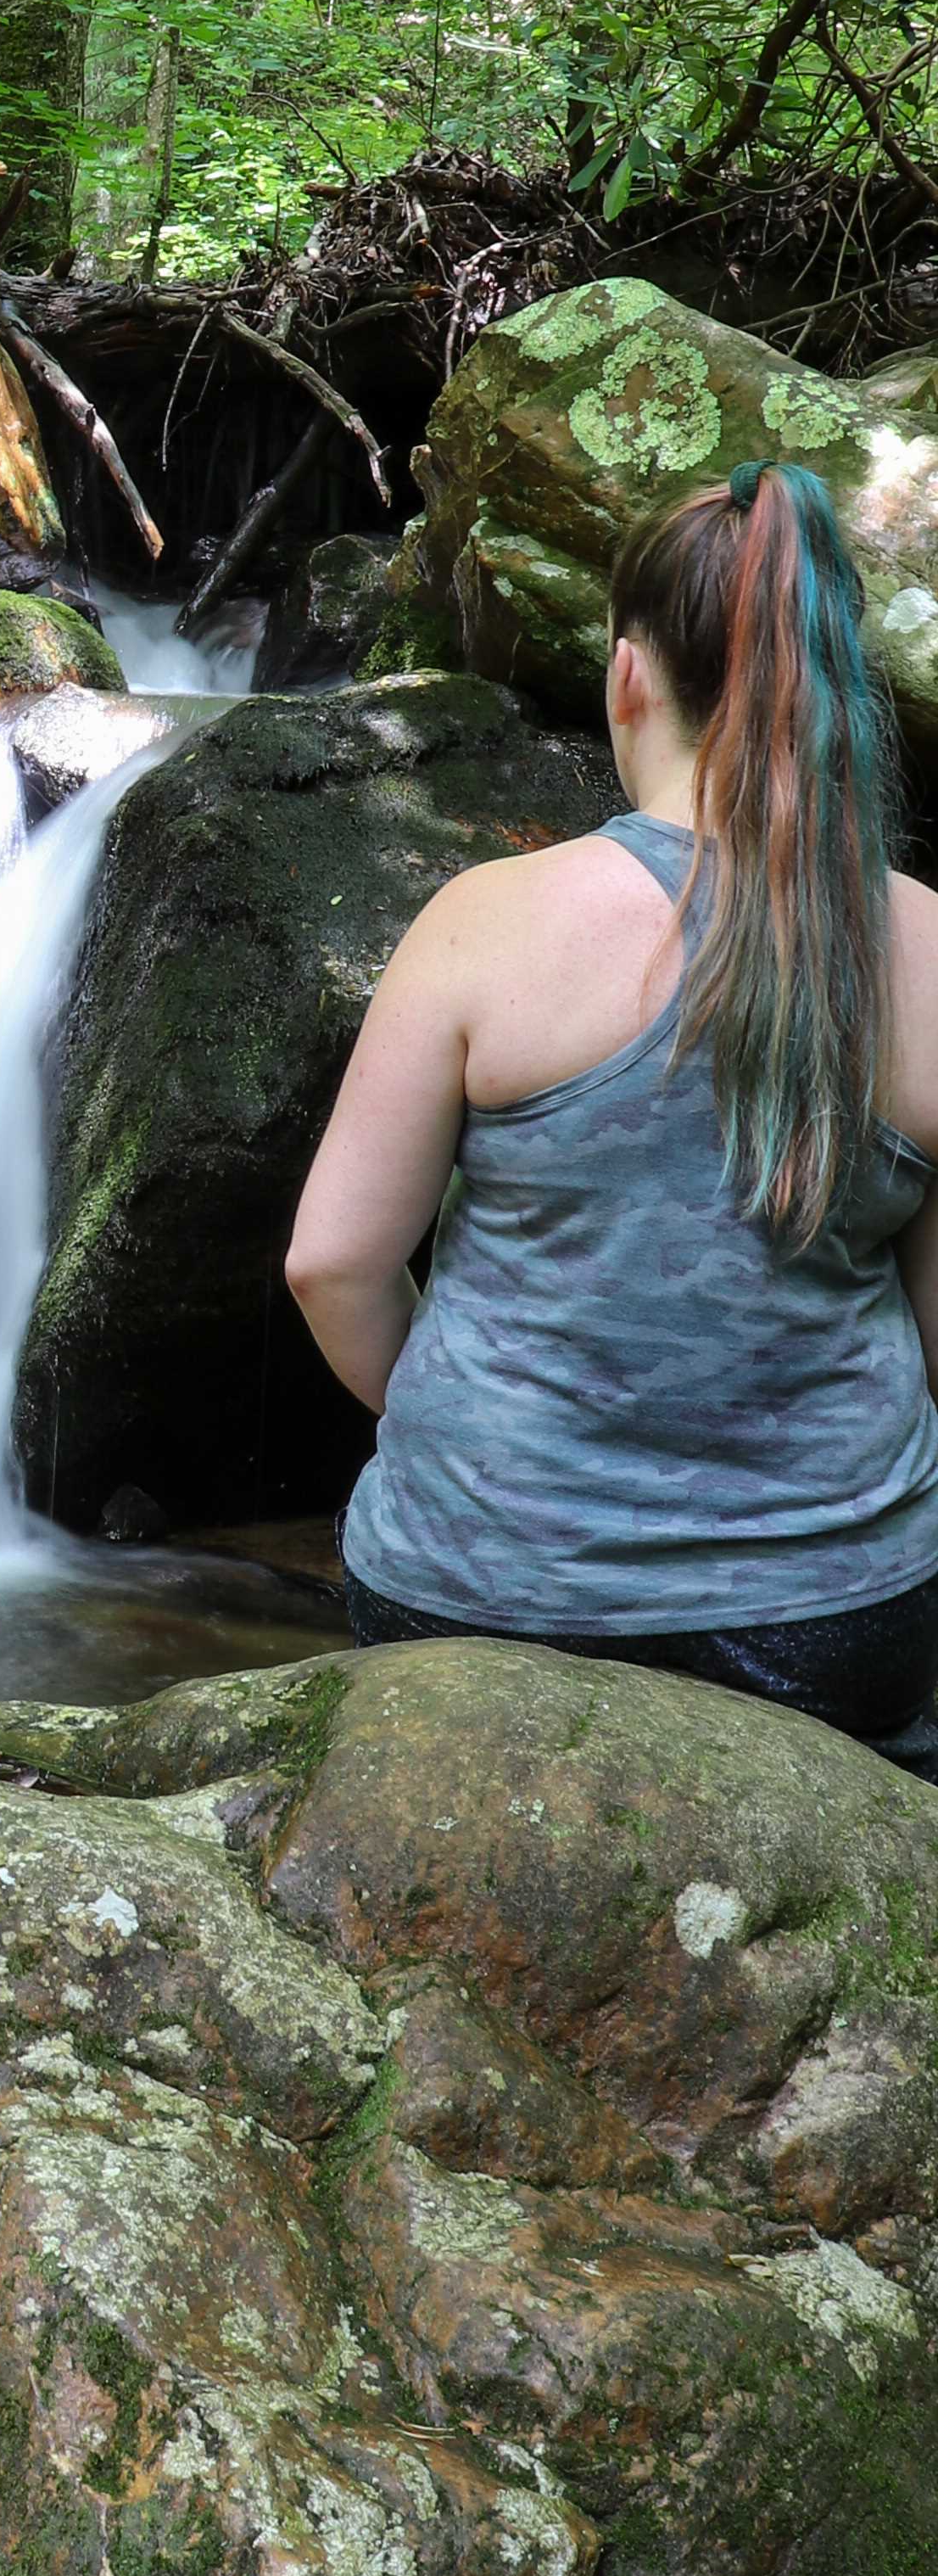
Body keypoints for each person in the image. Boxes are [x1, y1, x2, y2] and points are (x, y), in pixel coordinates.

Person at [284, 457, 938, 1742]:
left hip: (484, 1594)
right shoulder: (926, 951)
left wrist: (483, 1440)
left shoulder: (487, 922)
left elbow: (332, 1263)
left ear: (628, 674)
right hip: (835, 1616)